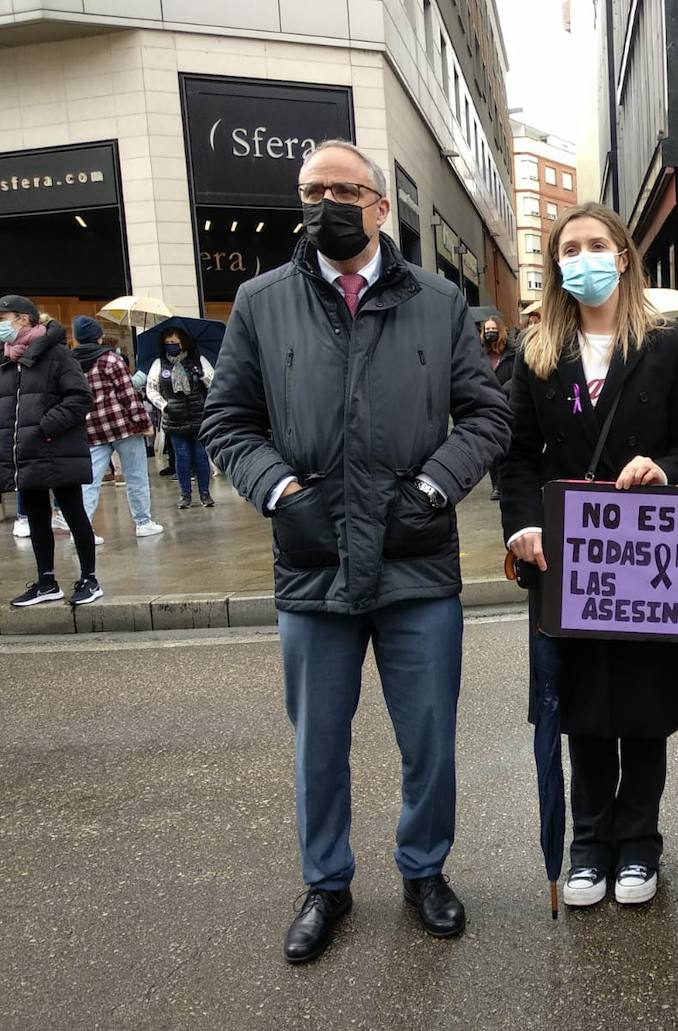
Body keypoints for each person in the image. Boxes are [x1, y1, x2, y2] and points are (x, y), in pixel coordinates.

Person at [201, 139, 511, 964]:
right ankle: (326, 882)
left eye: (345, 188)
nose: (326, 202)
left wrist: (433, 490)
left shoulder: (440, 301)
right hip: (313, 560)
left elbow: (487, 416)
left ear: (379, 205)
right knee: (317, 742)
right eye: (312, 189)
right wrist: (281, 494)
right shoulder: (262, 302)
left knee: (430, 737)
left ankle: (424, 869)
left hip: (417, 559)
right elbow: (226, 421)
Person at [500, 201, 678, 909]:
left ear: (622, 255)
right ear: (557, 264)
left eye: (596, 244)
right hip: (567, 560)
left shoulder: (671, 345)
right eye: (569, 248)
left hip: (648, 558)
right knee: (581, 705)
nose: (582, 257)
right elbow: (519, 456)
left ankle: (640, 840)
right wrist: (522, 525)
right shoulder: (535, 352)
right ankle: (589, 841)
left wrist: (667, 470)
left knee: (644, 705)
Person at [0, 296, 103, 606]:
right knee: (36, 517)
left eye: (4, 318)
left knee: (72, 512)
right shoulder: (6, 360)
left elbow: (80, 398)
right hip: (25, 453)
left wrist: (44, 428)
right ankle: (47, 582)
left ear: (24, 319)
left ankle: (90, 579)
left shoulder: (57, 354)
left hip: (54, 447)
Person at [72, 316, 163, 539]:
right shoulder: (111, 359)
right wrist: (143, 423)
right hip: (124, 427)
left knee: (89, 482)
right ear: (98, 336)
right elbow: (127, 394)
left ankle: (81, 531)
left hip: (91, 429)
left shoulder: (71, 363)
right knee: (136, 475)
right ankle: (143, 522)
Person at [146, 326, 216, 507]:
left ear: (183, 342)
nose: (171, 346)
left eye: (175, 342)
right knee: (182, 457)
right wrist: (164, 405)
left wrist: (202, 378)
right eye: (168, 343)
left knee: (201, 457)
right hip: (174, 418)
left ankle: (205, 494)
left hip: (198, 416)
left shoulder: (198, 361)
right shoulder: (159, 364)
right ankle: (185, 495)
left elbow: (214, 384)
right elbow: (151, 389)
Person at [481, 315, 515, 500]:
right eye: (487, 330)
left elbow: (517, 377)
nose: (490, 333)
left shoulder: (512, 353)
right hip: (488, 406)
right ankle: (497, 485)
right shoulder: (479, 354)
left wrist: (502, 390)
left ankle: (508, 482)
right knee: (491, 446)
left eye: (493, 329)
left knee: (509, 446)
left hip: (509, 404)